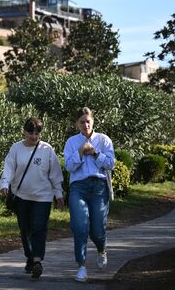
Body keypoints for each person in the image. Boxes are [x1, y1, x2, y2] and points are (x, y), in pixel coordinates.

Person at [0, 117, 64, 279]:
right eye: (30, 132)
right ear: (24, 132)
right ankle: (31, 257)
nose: (34, 136)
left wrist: (59, 194)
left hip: (43, 197)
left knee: (38, 228)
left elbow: (55, 173)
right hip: (21, 196)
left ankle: (37, 260)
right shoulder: (16, 149)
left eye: (37, 133)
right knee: (25, 230)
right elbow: (9, 167)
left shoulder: (47, 149)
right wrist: (5, 184)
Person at [64, 107, 115, 283]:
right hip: (78, 187)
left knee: (97, 230)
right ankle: (81, 267)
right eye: (82, 122)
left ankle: (102, 249)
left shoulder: (103, 140)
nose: (85, 124)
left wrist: (94, 152)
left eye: (88, 121)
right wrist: (79, 152)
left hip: (99, 187)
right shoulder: (71, 142)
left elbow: (110, 164)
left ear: (93, 121)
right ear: (76, 124)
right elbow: (69, 167)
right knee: (79, 227)